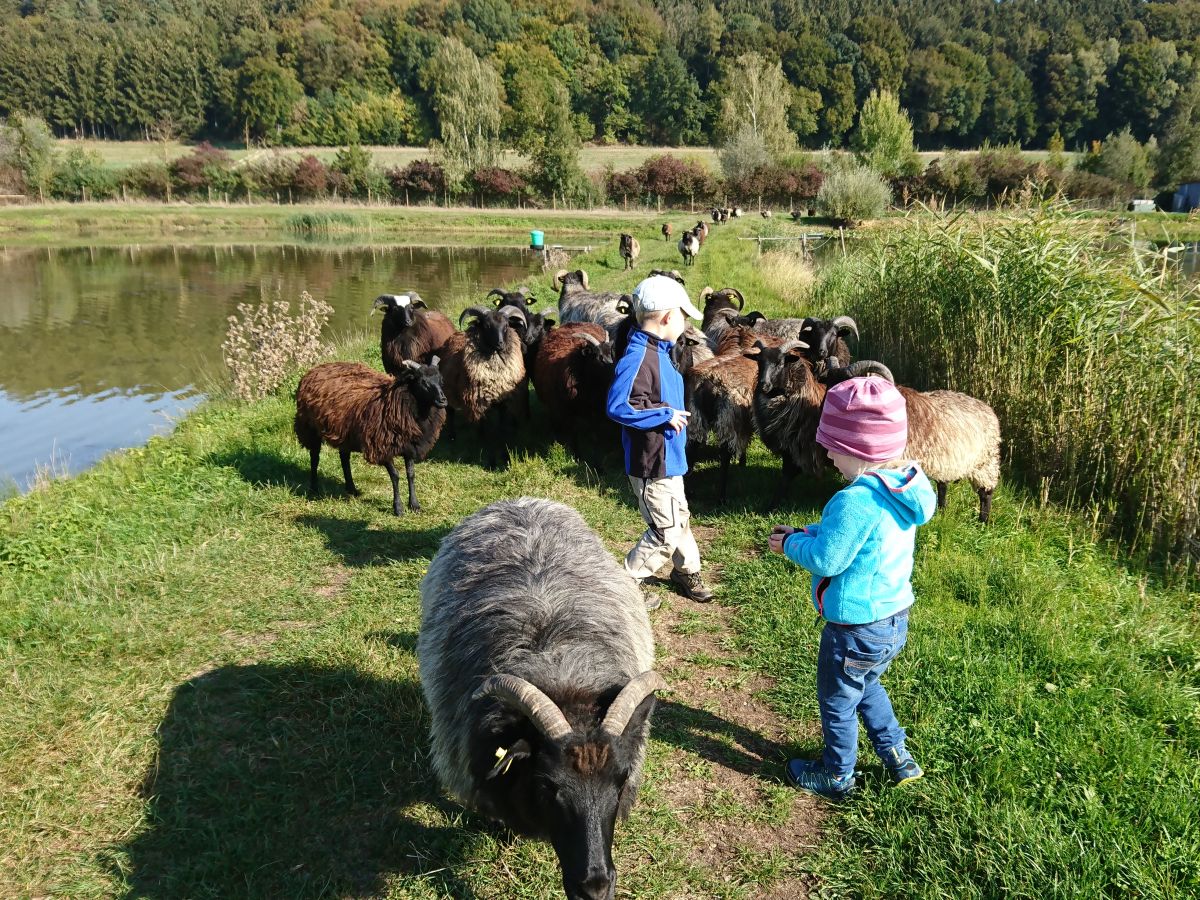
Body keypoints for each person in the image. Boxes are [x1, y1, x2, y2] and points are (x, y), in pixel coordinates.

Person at [768, 375, 936, 799]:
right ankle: (896, 753)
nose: (826, 452)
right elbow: (860, 538)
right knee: (868, 686)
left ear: (855, 448)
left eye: (831, 444)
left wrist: (791, 543)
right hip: (892, 621)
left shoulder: (853, 499)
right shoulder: (902, 487)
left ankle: (837, 774)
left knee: (838, 701)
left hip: (854, 628)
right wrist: (811, 530)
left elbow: (828, 558)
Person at [607, 274, 714, 610]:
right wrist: (663, 415)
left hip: (670, 459)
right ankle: (620, 587)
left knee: (678, 516)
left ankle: (686, 572)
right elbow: (618, 405)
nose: (685, 323)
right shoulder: (639, 357)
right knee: (665, 532)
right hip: (653, 463)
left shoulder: (662, 351)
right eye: (683, 316)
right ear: (668, 318)